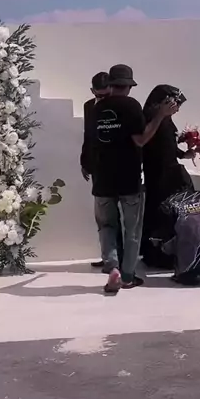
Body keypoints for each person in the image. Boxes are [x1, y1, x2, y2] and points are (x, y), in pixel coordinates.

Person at [91, 64, 178, 293]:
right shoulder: (131, 106)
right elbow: (141, 139)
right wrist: (161, 115)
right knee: (132, 230)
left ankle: (112, 267)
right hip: (128, 178)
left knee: (106, 226)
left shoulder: (97, 108)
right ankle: (127, 277)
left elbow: (91, 141)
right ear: (129, 86)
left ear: (111, 84)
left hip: (102, 179)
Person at [141, 85, 196, 269]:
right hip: (159, 175)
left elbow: (167, 145)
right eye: (175, 104)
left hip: (169, 173)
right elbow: (148, 143)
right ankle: (158, 254)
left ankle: (172, 251)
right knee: (161, 211)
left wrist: (183, 154)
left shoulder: (165, 119)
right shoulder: (152, 118)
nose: (177, 109)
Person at [80, 72, 124, 271]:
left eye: (107, 95)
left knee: (119, 215)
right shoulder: (89, 106)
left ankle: (118, 258)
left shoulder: (121, 106)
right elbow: (88, 136)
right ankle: (110, 256)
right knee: (104, 216)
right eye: (99, 95)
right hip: (98, 167)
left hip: (120, 166)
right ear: (92, 91)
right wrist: (85, 162)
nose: (103, 99)